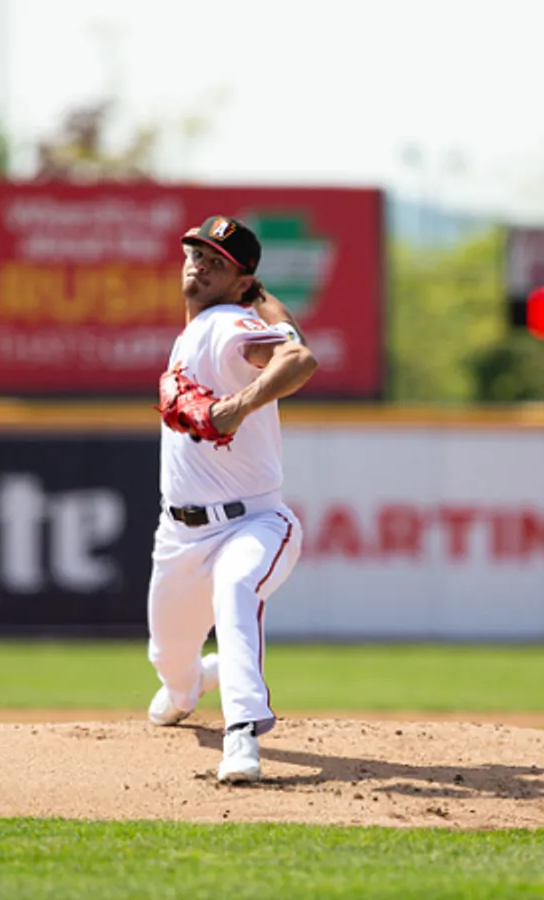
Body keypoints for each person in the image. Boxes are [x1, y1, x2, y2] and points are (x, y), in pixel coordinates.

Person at [144, 215, 319, 783]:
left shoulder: (227, 325)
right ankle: (191, 682)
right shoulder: (210, 320)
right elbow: (289, 336)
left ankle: (241, 732)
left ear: (239, 283)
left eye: (215, 261)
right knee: (170, 665)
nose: (198, 263)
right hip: (179, 536)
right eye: (195, 252)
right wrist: (262, 296)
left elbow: (299, 361)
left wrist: (238, 405)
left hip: (255, 523)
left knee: (235, 588)